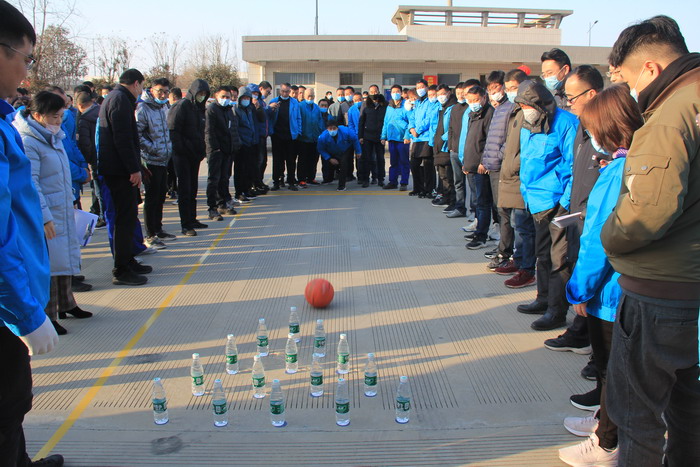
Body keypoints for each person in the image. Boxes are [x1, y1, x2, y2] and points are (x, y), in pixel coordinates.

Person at [602, 15, 700, 466]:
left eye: (626, 81)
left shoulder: (671, 115)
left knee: (637, 414)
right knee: (691, 413)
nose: (628, 92)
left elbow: (646, 213)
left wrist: (609, 237)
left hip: (662, 291)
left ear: (651, 69)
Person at [558, 84, 643, 467]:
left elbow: (597, 241)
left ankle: (606, 442)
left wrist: (578, 290)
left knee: (611, 369)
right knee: (613, 369)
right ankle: (602, 421)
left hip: (608, 292)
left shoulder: (616, 173)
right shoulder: (634, 164)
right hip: (623, 286)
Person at [0, 2, 62, 464]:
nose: (27, 72)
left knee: (13, 403)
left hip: (14, 293)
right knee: (6, 403)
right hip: (6, 306)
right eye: (26, 58)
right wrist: (24, 314)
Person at [545, 65, 607, 403]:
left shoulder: (609, 131)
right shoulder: (583, 126)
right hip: (578, 212)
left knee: (597, 286)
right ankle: (582, 335)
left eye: (572, 97)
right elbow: (574, 170)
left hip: (597, 219)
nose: (568, 103)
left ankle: (601, 361)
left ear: (591, 94)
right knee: (575, 269)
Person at [14, 91, 94, 335]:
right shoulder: (29, 141)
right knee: (49, 264)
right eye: (54, 117)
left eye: (60, 116)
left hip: (61, 205)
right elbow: (31, 183)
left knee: (64, 258)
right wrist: (44, 216)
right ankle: (48, 314)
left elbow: (61, 172)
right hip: (47, 211)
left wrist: (71, 199)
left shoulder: (54, 136)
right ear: (38, 115)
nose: (58, 121)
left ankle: (67, 303)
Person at [515, 80, 578, 331]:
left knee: (558, 259)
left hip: (558, 202)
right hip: (536, 201)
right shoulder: (527, 123)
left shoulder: (566, 123)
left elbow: (573, 165)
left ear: (540, 104)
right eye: (520, 106)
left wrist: (564, 202)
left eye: (526, 105)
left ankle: (557, 310)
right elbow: (527, 160)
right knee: (542, 255)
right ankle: (543, 299)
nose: (524, 110)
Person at [98, 69, 152, 285]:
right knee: (124, 217)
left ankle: (128, 260)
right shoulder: (120, 100)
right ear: (136, 83)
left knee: (129, 217)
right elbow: (122, 139)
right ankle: (121, 269)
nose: (141, 91)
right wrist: (133, 169)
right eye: (142, 86)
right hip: (119, 171)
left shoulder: (117, 98)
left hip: (120, 168)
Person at [496, 69, 537, 289]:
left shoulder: (529, 113)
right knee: (516, 223)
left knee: (524, 227)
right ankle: (518, 260)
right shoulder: (516, 111)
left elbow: (530, 148)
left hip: (522, 177)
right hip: (511, 175)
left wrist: (515, 165)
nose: (510, 92)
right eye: (509, 88)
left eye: (514, 88)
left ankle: (527, 269)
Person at [136, 77, 176, 245]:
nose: (163, 95)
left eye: (166, 92)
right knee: (152, 198)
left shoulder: (165, 107)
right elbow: (137, 134)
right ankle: (150, 234)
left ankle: (158, 228)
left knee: (160, 195)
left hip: (164, 159)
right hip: (150, 159)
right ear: (151, 90)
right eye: (160, 91)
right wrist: (152, 148)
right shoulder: (143, 109)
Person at [168, 78, 210, 236]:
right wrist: (182, 149)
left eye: (205, 93)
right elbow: (173, 131)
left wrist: (200, 151)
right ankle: (185, 224)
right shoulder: (181, 106)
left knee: (193, 188)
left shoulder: (199, 108)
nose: (202, 96)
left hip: (194, 155)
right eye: (200, 93)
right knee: (185, 189)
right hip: (182, 155)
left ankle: (192, 219)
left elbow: (200, 132)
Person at [481, 71, 515, 265]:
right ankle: (503, 246)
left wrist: (499, 156)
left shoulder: (511, 108)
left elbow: (509, 139)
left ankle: (506, 250)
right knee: (500, 209)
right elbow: (492, 140)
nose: (493, 92)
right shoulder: (499, 108)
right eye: (490, 89)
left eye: (496, 88)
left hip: (503, 166)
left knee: (505, 211)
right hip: (494, 166)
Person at [461, 85, 496, 250]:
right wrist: (466, 163)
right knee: (477, 201)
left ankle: (481, 236)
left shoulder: (489, 114)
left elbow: (490, 141)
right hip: (472, 164)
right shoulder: (472, 114)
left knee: (483, 202)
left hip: (482, 167)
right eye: (470, 100)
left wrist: (484, 162)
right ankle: (479, 229)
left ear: (484, 98)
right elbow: (470, 141)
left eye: (476, 100)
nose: (473, 103)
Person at [204, 86, 239, 221]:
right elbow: (209, 131)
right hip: (216, 150)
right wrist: (214, 148)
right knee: (214, 180)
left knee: (224, 178)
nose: (225, 99)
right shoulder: (212, 109)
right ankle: (212, 208)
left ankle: (222, 203)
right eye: (223, 96)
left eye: (228, 97)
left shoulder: (228, 110)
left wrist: (233, 146)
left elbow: (233, 130)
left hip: (227, 150)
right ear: (216, 96)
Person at [75, 91, 105, 230]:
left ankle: (103, 216)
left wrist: (86, 162)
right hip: (106, 156)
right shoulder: (101, 111)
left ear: (80, 105)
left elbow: (85, 144)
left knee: (99, 190)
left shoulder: (84, 120)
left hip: (94, 159)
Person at [268, 82, 302, 191]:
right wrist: (272, 109)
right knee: (277, 160)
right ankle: (276, 182)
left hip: (291, 135)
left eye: (287, 91)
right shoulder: (274, 101)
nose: (285, 93)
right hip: (277, 135)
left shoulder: (294, 102)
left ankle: (291, 181)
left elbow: (298, 118)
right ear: (279, 91)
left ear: (290, 91)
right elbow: (269, 117)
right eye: (283, 91)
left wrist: (298, 131)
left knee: (291, 160)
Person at [408, 79, 438, 197]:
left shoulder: (430, 102)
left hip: (426, 137)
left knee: (427, 165)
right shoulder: (418, 103)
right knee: (414, 164)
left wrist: (418, 130)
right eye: (418, 87)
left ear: (426, 87)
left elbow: (429, 118)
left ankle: (429, 189)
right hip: (416, 139)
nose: (420, 89)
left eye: (422, 87)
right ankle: (418, 188)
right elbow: (412, 117)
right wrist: (411, 128)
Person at [234, 86, 264, 202]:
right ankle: (239, 193)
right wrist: (239, 142)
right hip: (241, 144)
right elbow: (236, 128)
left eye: (248, 98)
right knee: (240, 170)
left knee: (249, 169)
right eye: (244, 98)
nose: (246, 100)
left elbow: (256, 122)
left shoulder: (250, 109)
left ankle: (246, 190)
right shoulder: (236, 110)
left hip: (251, 142)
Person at [445, 82, 470, 217]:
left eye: (463, 93)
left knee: (472, 184)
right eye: (458, 93)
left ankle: (474, 211)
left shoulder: (470, 108)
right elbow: (450, 129)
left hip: (468, 151)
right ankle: (460, 207)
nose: (460, 95)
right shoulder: (454, 108)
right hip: (454, 150)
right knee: (458, 182)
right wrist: (450, 146)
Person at [432, 84, 458, 212]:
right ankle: (445, 197)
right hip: (438, 145)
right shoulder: (439, 107)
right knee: (442, 175)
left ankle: (453, 201)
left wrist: (443, 138)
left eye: (443, 94)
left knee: (450, 176)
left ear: (449, 93)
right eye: (438, 95)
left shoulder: (453, 107)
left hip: (446, 145)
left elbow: (453, 128)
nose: (441, 97)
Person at [317, 119, 361, 191]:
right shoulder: (322, 137)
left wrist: (358, 151)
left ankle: (341, 186)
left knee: (343, 164)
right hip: (331, 151)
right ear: (327, 129)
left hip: (345, 149)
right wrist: (329, 158)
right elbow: (321, 149)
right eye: (330, 128)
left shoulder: (346, 131)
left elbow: (355, 139)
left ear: (337, 128)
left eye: (334, 128)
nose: (332, 130)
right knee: (328, 164)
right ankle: (328, 179)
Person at [381, 84, 411, 191]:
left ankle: (404, 182)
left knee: (404, 161)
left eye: (397, 91)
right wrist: (383, 136)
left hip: (402, 139)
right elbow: (386, 122)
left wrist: (407, 136)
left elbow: (410, 122)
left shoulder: (406, 106)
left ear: (401, 93)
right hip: (392, 138)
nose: (395, 94)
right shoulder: (389, 107)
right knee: (393, 162)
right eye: (393, 92)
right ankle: (393, 182)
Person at [358, 92, 387, 187]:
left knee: (380, 159)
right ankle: (365, 179)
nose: (374, 94)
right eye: (372, 92)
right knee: (366, 159)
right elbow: (361, 121)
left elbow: (386, 122)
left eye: (375, 91)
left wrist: (385, 136)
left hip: (380, 137)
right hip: (367, 136)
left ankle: (380, 179)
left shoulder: (384, 106)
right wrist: (360, 136)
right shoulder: (365, 106)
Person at [297, 87, 324, 185]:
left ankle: (311, 178)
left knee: (314, 159)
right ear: (304, 96)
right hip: (303, 138)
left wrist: (320, 133)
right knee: (303, 160)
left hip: (315, 138)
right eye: (308, 96)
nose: (310, 98)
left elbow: (320, 121)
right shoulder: (300, 106)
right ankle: (302, 179)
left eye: (312, 96)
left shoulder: (316, 107)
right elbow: (297, 120)